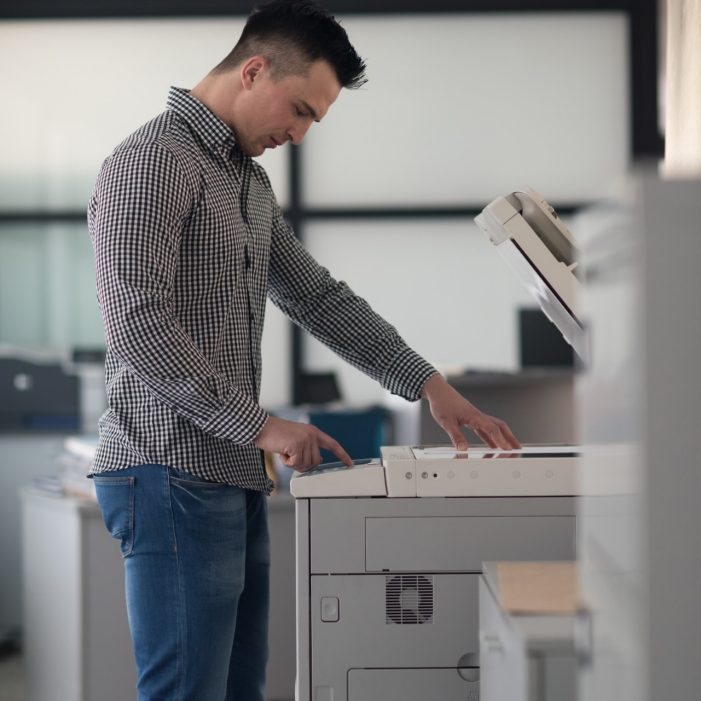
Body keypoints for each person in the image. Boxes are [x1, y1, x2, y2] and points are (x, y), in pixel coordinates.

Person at [88, 1, 520, 699]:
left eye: (313, 119)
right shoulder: (151, 162)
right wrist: (263, 425)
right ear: (253, 70)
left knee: (239, 689)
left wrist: (430, 384)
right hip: (166, 469)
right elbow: (139, 327)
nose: (299, 132)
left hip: (228, 469)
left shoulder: (246, 182)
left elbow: (317, 297)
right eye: (300, 110)